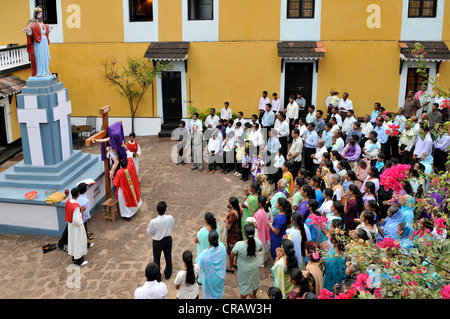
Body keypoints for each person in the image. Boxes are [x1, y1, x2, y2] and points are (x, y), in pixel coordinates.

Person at [230, 224, 263, 299]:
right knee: (255, 281)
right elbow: (261, 249)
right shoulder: (257, 241)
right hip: (254, 266)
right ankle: (253, 295)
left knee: (244, 286)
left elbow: (232, 255)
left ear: (244, 233)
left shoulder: (239, 245)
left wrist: (231, 265)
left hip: (244, 269)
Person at [146, 201, 175, 281]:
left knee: (156, 259)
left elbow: (149, 232)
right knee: (168, 256)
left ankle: (157, 277)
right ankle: (168, 273)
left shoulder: (153, 222)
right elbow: (172, 226)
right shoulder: (170, 218)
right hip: (167, 239)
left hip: (157, 242)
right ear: (165, 209)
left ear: (157, 210)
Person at [113, 142, 142, 220]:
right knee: (133, 198)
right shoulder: (130, 166)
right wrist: (125, 148)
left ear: (120, 165)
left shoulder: (119, 172)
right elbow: (129, 156)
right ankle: (133, 211)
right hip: (131, 187)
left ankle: (127, 215)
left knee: (124, 202)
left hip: (124, 190)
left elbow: (115, 183)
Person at [195, 230, 227, 299]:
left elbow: (197, 267)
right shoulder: (222, 247)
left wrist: (203, 253)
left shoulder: (203, 256)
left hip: (209, 282)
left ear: (208, 239)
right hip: (219, 279)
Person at [23, 6, 53, 77]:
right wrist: (28, 30)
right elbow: (31, 27)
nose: (40, 16)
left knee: (47, 56)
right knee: (40, 56)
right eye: (39, 14)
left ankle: (46, 71)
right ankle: (40, 72)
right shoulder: (32, 22)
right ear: (36, 15)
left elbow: (43, 27)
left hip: (44, 40)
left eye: (41, 14)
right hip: (38, 42)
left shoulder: (41, 22)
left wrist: (49, 27)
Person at [65, 187, 89, 266]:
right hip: (76, 227)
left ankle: (74, 257)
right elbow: (77, 220)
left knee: (73, 241)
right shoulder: (75, 206)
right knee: (78, 241)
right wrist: (81, 211)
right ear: (78, 194)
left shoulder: (68, 201)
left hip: (70, 225)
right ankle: (79, 260)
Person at [225, 197, 244, 273]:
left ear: (231, 205)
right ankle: (236, 262)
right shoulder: (239, 210)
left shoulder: (232, 214)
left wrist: (226, 220)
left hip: (232, 235)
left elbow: (228, 227)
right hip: (238, 232)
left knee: (231, 251)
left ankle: (231, 266)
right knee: (237, 249)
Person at [254, 195, 272, 267]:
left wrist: (253, 222)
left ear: (259, 203)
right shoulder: (269, 209)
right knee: (265, 245)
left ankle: (261, 263)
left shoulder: (259, 213)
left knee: (260, 246)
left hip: (260, 231)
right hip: (267, 228)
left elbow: (257, 226)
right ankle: (264, 259)